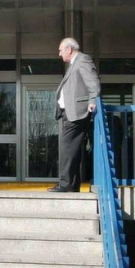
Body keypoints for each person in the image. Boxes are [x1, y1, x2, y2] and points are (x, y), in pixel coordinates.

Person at [52, 37, 100, 193]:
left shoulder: (83, 60)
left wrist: (93, 100)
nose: (59, 54)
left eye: (61, 50)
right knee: (72, 149)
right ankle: (71, 185)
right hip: (71, 113)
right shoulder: (74, 64)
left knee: (67, 148)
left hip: (77, 113)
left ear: (69, 49)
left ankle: (66, 184)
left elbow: (93, 83)